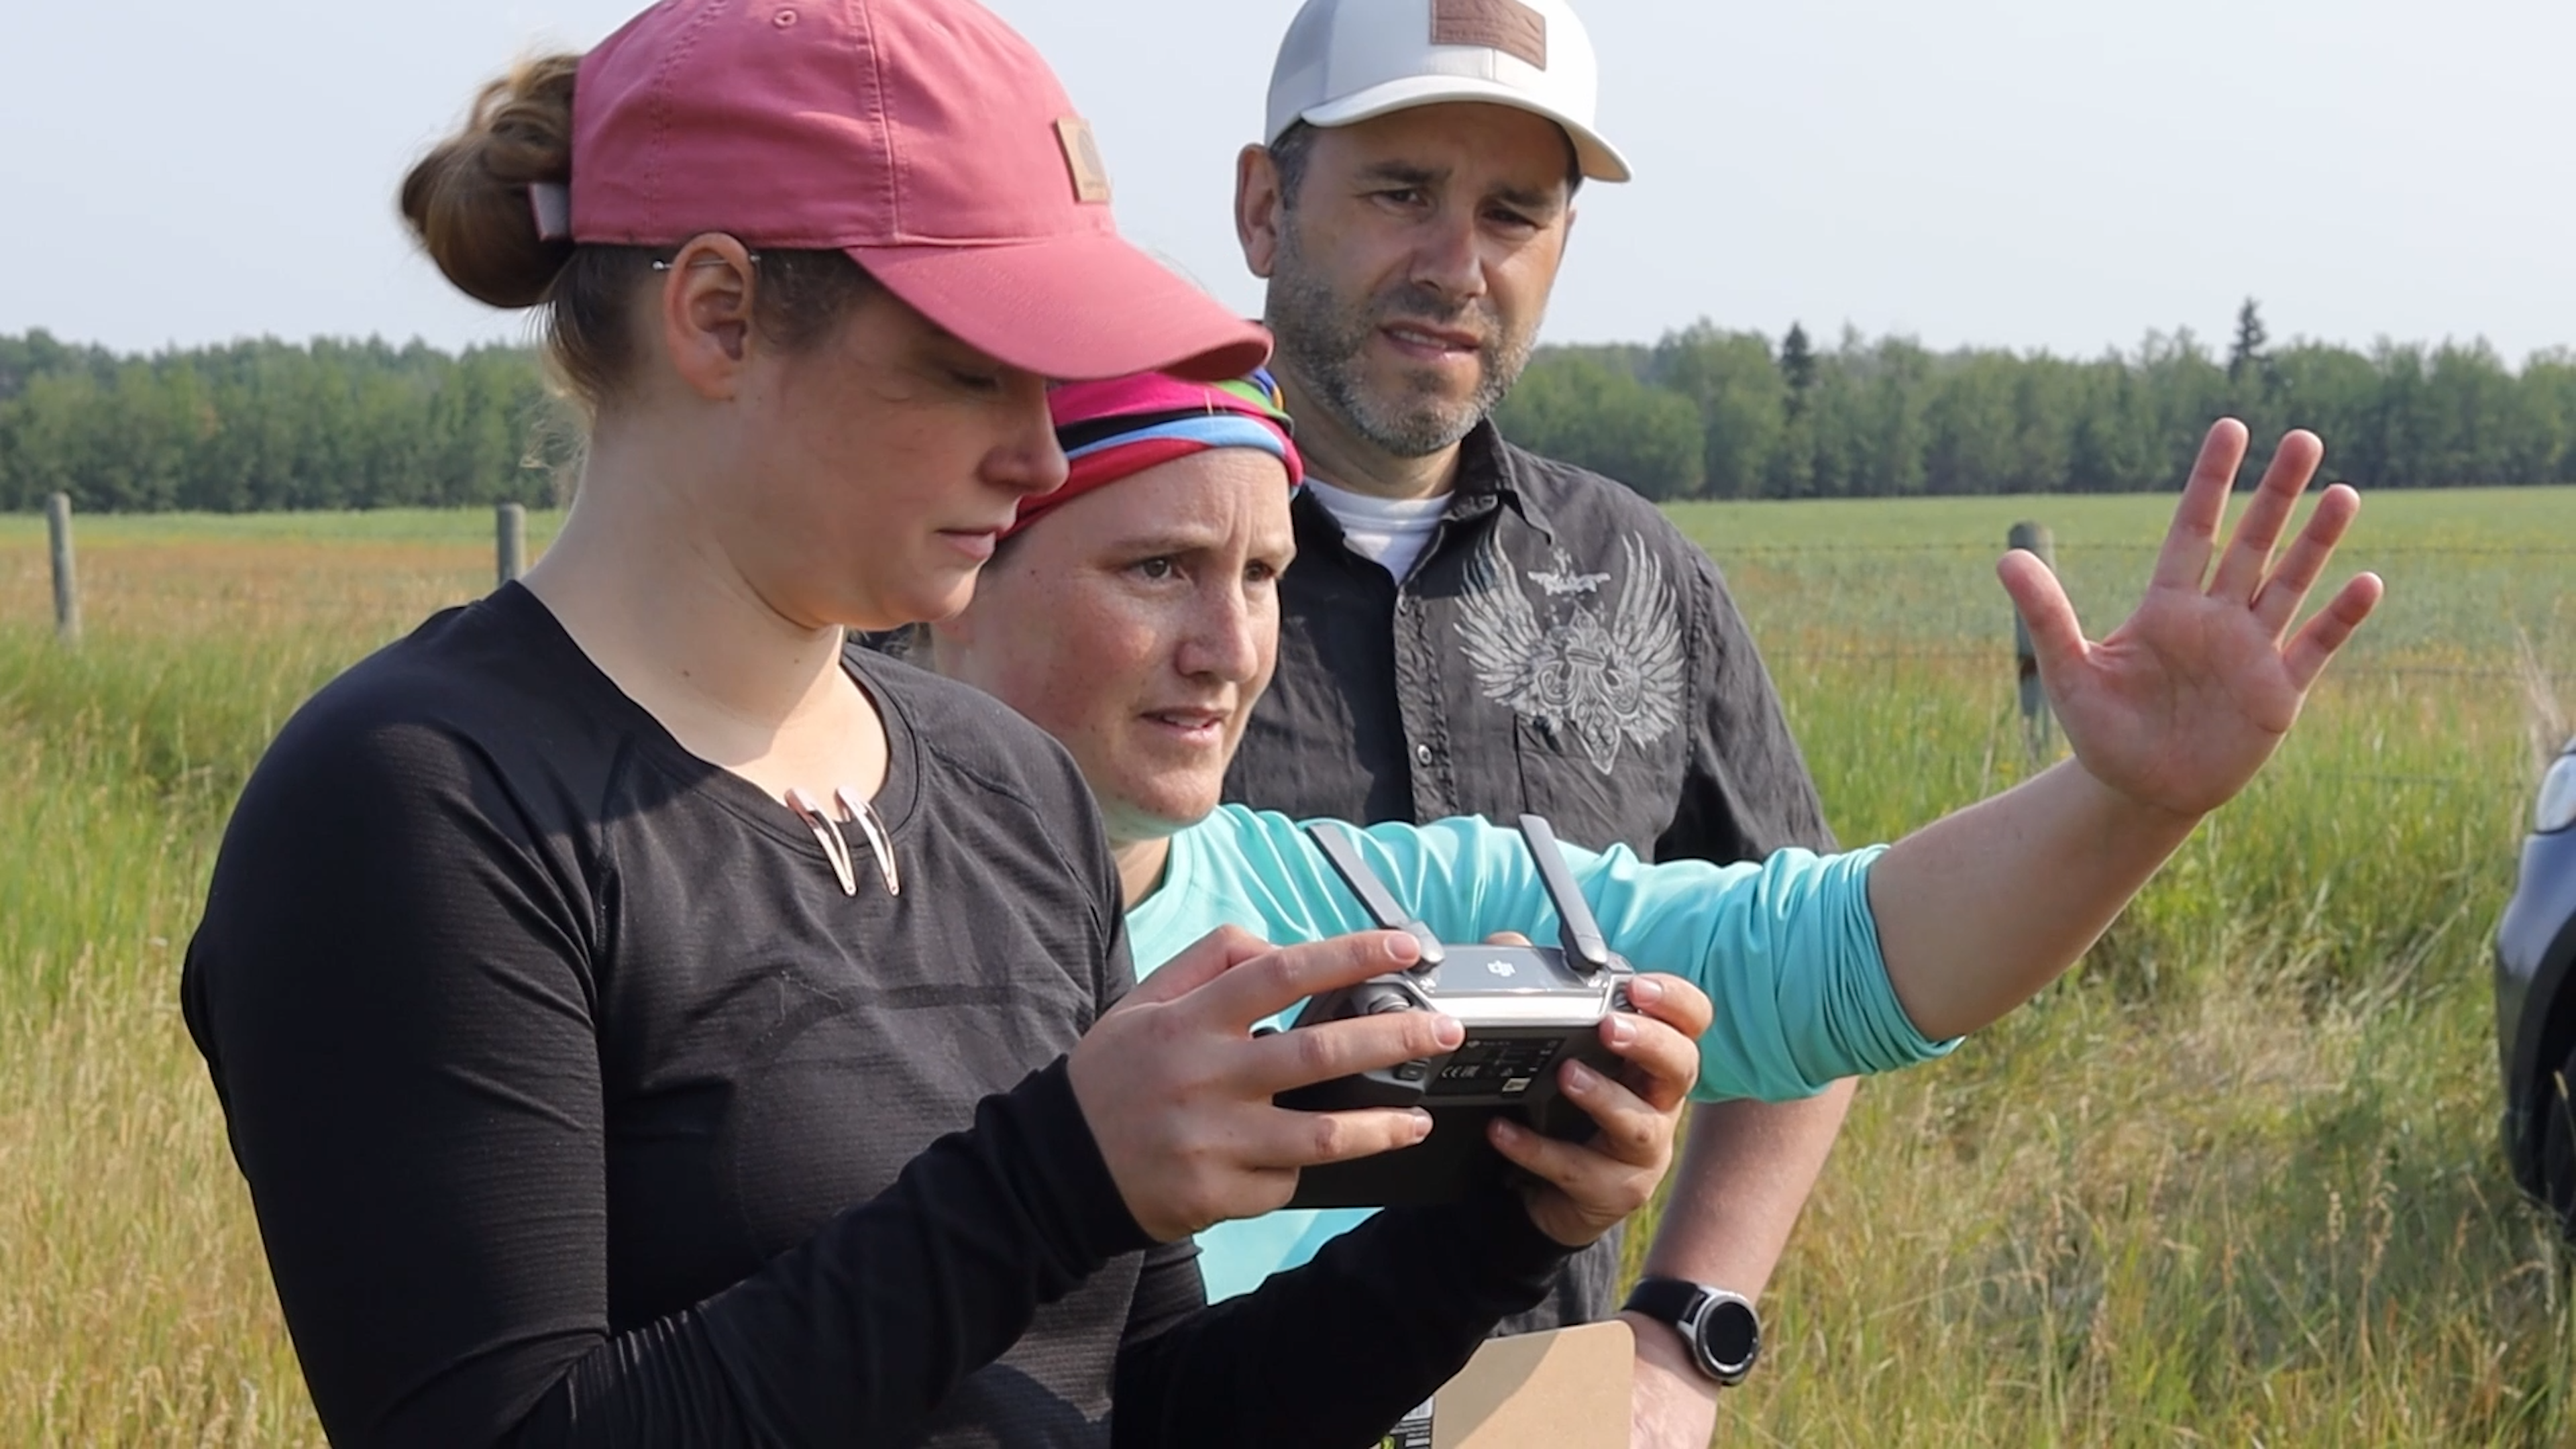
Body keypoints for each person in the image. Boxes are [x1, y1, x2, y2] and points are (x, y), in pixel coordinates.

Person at [176, 5, 1713, 1446]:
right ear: (719, 316)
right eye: (971, 368)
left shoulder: (1007, 787)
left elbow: (1147, 1414)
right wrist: (1061, 1175)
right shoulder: (421, 805)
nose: (1039, 448)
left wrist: (1503, 1227)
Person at [915, 371, 2383, 1324]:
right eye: (1156, 568)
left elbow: (1831, 962)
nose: (1230, 647)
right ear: (958, 575)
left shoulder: (1365, 899)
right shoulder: (811, 925)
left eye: (1262, 575)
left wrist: (2125, 801)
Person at [1223, 0, 1851, 1428]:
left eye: (1515, 212)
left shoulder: (1639, 577)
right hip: (1176, 1396)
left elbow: (1805, 985)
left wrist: (1686, 1337)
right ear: (1264, 204)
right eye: (1401, 192)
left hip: (1539, 1408)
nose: (1458, 265)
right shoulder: (1075, 543)